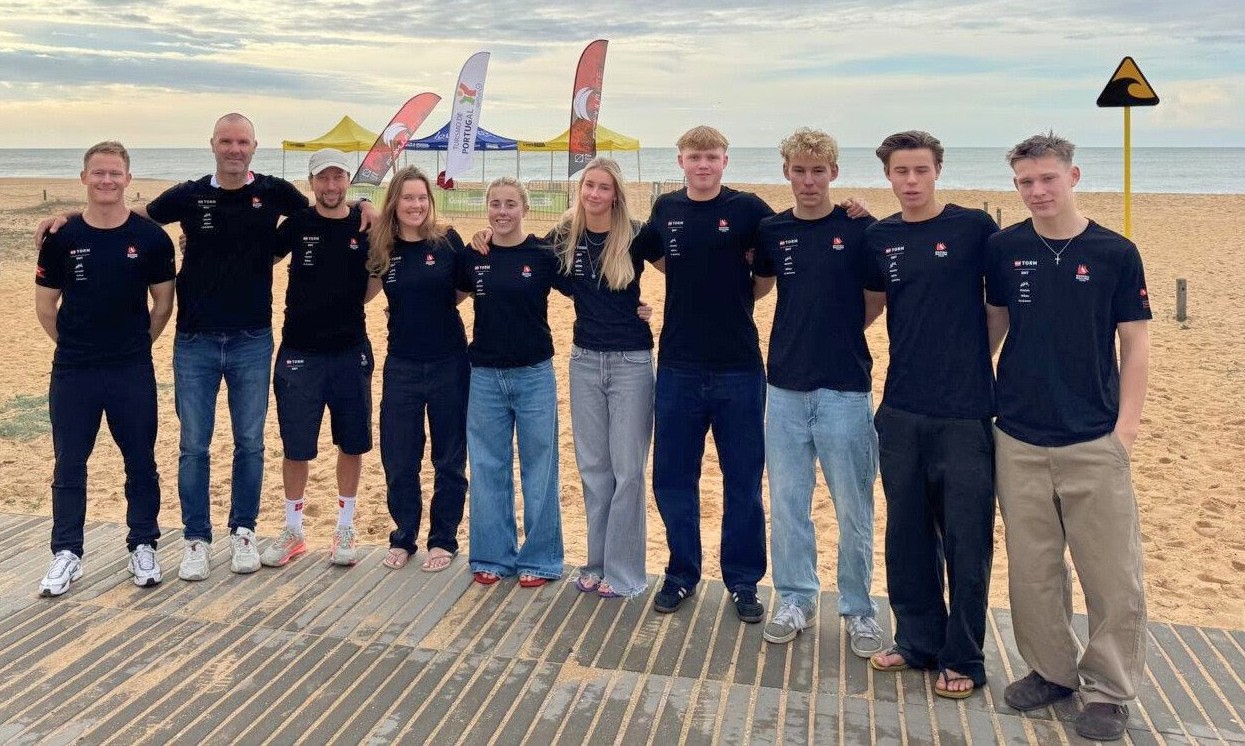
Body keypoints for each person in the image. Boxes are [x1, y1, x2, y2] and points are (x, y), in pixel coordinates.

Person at [987, 133, 1151, 742]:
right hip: (1019, 435)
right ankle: (1052, 671)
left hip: (1093, 437)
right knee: (1033, 570)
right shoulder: (1004, 248)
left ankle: (1109, 689)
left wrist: (1125, 430)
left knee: (1111, 574)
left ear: (1073, 176)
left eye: (1047, 179)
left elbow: (1135, 342)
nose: (1037, 191)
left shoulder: (1114, 252)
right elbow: (995, 325)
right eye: (1025, 182)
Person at [864, 131, 1005, 698]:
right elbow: (870, 306)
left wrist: (970, 364)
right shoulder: (880, 237)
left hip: (966, 413)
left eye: (921, 169)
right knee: (907, 533)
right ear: (888, 176)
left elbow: (999, 309)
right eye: (901, 171)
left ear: (938, 170)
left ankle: (964, 656)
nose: (911, 180)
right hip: (900, 408)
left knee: (967, 540)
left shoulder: (974, 228)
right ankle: (918, 641)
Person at [634, 125, 775, 623]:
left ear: (724, 161)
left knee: (743, 479)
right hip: (678, 365)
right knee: (674, 477)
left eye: (712, 157)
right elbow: (649, 253)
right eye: (694, 157)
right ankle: (681, 573)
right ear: (680, 161)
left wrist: (738, 294)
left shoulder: (749, 209)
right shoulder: (666, 208)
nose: (703, 165)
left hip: (739, 366)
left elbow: (771, 266)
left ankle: (743, 581)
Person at [752, 128, 886, 652]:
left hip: (845, 388)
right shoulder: (772, 230)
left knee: (853, 506)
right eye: (799, 171)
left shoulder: (860, 228)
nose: (809, 181)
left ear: (834, 172)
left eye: (818, 171)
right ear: (786, 172)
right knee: (788, 503)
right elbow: (760, 285)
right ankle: (796, 598)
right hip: (784, 386)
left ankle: (858, 608)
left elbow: (875, 299)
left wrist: (840, 333)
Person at [34, 141, 175, 596]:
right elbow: (45, 306)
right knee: (69, 462)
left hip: (131, 368)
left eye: (115, 173)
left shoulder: (151, 239)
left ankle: (143, 543)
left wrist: (138, 345)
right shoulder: (61, 238)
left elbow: (163, 304)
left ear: (128, 179)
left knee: (140, 461)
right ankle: (66, 552)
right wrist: (72, 345)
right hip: (74, 369)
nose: (107, 180)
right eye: (98, 173)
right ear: (84, 178)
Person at [260, 148, 379, 569]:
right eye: (323, 178)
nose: (331, 186)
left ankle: (345, 526)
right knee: (296, 447)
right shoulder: (297, 223)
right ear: (312, 183)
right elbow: (255, 258)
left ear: (348, 180)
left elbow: (377, 276)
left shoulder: (364, 224)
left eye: (338, 177)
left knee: (352, 442)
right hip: (299, 352)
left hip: (350, 350)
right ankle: (294, 530)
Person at [549, 157, 654, 598]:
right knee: (594, 470)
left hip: (631, 362)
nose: (594, 193)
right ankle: (595, 563)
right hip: (584, 361)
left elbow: (689, 267)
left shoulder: (637, 234)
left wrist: (651, 309)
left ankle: (624, 573)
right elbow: (516, 251)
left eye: (604, 187)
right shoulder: (564, 236)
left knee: (628, 471)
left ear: (616, 195)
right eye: (589, 185)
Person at [456, 177, 563, 587]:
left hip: (535, 373)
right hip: (484, 375)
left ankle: (541, 559)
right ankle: (492, 556)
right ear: (487, 208)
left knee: (540, 468)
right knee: (488, 466)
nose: (502, 211)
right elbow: (447, 296)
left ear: (525, 209)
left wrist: (637, 307)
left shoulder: (543, 254)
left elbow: (589, 290)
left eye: (510, 204)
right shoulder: (474, 255)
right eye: (496, 204)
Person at [370, 166, 470, 573]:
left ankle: (443, 538)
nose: (416, 205)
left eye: (422, 197)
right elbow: (364, 289)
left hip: (449, 362)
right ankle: (404, 536)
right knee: (399, 457)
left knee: (449, 458)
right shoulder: (383, 247)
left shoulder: (447, 241)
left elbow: (462, 290)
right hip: (402, 365)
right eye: (408, 197)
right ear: (394, 202)